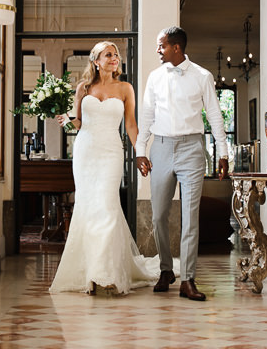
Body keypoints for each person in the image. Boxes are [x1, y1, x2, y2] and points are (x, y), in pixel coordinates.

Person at [48, 41, 161, 295]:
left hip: (110, 151)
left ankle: (106, 273)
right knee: (88, 207)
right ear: (96, 61)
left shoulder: (125, 88)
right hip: (85, 151)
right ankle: (91, 272)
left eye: (116, 55)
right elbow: (78, 122)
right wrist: (67, 119)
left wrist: (140, 152)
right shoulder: (83, 88)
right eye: (108, 55)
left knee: (108, 206)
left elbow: (131, 125)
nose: (114, 58)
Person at [134, 26, 229, 301]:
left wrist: (223, 153)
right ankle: (166, 270)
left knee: (190, 218)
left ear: (176, 47)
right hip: (161, 148)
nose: (157, 50)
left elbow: (214, 115)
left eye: (161, 45)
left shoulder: (202, 76)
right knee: (159, 215)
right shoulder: (154, 78)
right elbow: (147, 115)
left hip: (192, 148)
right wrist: (141, 150)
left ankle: (188, 279)